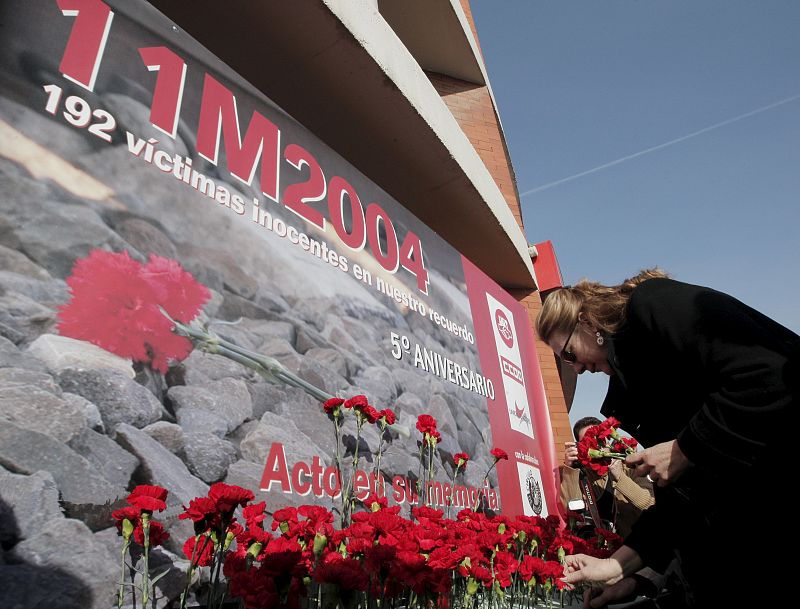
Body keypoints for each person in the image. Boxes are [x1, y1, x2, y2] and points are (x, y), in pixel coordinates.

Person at [536, 269, 798, 607]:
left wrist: (685, 448)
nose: (576, 369)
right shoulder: (634, 386)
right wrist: (617, 568)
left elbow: (772, 373)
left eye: (569, 354)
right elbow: (683, 497)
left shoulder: (652, 304)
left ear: (587, 323)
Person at [560, 416, 654, 538]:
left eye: (598, 439)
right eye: (588, 441)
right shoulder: (583, 476)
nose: (596, 445)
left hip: (638, 541)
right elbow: (569, 509)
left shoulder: (630, 466)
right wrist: (570, 469)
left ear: (608, 439)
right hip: (602, 545)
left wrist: (620, 477)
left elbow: (649, 503)